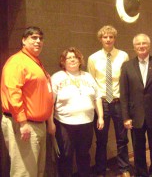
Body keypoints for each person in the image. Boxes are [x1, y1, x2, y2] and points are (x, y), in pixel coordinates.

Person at [1, 26, 54, 177]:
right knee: (23, 172)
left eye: (40, 38)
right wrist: (23, 123)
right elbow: (13, 92)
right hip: (24, 125)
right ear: (23, 40)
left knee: (37, 171)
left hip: (37, 124)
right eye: (34, 37)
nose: (38, 41)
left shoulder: (34, 62)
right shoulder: (17, 61)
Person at [120, 33, 152, 177]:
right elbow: (124, 94)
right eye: (138, 44)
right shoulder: (127, 66)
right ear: (134, 47)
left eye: (144, 43)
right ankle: (141, 173)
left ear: (149, 45)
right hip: (135, 116)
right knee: (137, 148)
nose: (141, 46)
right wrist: (126, 117)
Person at [50, 47, 104, 177]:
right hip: (64, 124)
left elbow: (97, 97)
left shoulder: (88, 76)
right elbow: (50, 102)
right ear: (63, 62)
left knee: (84, 155)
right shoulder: (57, 77)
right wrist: (50, 122)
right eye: (69, 58)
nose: (72, 60)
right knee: (65, 156)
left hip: (86, 123)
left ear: (80, 60)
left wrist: (100, 117)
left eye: (75, 57)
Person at [87, 25, 131, 177]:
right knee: (101, 140)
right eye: (105, 37)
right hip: (102, 103)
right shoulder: (93, 58)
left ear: (115, 39)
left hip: (119, 101)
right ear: (100, 39)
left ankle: (124, 168)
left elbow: (126, 80)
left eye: (111, 37)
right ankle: (100, 169)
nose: (108, 39)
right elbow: (91, 82)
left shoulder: (123, 56)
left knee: (122, 138)